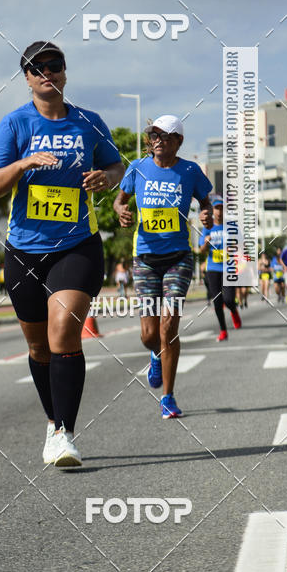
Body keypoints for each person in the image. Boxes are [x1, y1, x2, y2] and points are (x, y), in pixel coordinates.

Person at [0, 41, 124, 467]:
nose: (47, 73)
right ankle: (52, 422)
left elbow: (118, 166)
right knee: (39, 348)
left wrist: (106, 178)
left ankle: (65, 433)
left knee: (63, 334)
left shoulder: (88, 123)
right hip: (25, 250)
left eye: (54, 66)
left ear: (65, 71)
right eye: (36, 68)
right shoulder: (15, 124)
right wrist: (22, 165)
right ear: (25, 78)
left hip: (77, 245)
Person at [113, 115, 213, 419]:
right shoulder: (137, 168)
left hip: (178, 258)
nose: (159, 141)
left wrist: (207, 215)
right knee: (148, 334)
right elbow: (119, 200)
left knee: (169, 326)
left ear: (178, 141)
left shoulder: (190, 171)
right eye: (154, 135)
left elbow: (206, 202)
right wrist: (121, 211)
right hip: (145, 258)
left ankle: (168, 397)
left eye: (166, 136)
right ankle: (154, 354)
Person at [199, 196, 242, 341]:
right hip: (213, 268)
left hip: (228, 267)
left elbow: (242, 245)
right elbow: (201, 250)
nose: (219, 212)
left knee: (229, 300)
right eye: (217, 208)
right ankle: (223, 330)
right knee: (217, 301)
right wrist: (206, 243)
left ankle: (234, 311)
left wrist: (234, 247)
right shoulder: (207, 227)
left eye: (222, 208)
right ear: (212, 211)